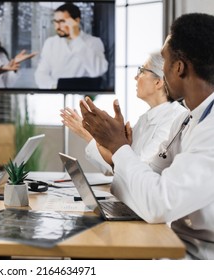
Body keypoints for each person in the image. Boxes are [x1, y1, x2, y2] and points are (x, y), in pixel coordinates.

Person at [80, 13, 214, 260]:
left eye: (164, 60)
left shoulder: (210, 129)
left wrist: (119, 147)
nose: (161, 69)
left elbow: (158, 204)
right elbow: (148, 175)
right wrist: (121, 150)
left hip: (199, 257)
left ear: (178, 67)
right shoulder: (187, 119)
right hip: (173, 240)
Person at [61, 52, 187, 174]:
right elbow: (116, 166)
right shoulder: (145, 119)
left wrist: (89, 134)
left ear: (158, 82)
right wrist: (95, 135)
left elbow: (137, 171)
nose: (136, 77)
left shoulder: (175, 118)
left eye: (142, 71)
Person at [34, 3, 108, 89]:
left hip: (82, 94)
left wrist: (76, 38)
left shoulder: (93, 42)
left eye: (62, 21)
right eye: (55, 22)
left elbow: (97, 71)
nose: (57, 26)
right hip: (56, 93)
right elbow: (41, 74)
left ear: (76, 21)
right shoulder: (50, 42)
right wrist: (55, 87)